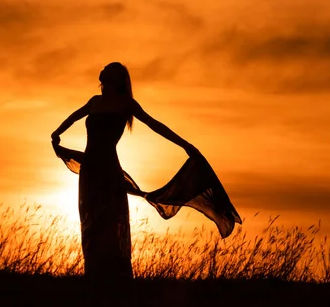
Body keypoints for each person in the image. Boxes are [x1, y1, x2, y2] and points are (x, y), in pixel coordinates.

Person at [51, 62, 241, 280]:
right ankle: (94, 273)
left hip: (109, 167)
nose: (104, 74)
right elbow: (73, 117)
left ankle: (115, 275)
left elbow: (156, 125)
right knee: (91, 218)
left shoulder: (127, 104)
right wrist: (57, 133)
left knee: (111, 218)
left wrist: (185, 145)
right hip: (90, 171)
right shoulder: (94, 102)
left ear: (119, 80)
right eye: (105, 71)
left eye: (110, 72)